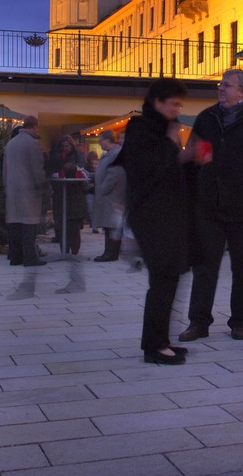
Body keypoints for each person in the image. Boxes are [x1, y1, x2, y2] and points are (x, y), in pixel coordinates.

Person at [180, 68, 243, 342]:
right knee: (204, 267)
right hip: (208, 206)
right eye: (219, 84)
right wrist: (195, 190)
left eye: (226, 85)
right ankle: (198, 322)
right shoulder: (207, 118)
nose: (220, 88)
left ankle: (238, 321)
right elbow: (193, 158)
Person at [120, 79, 192, 364]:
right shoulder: (140, 128)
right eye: (173, 103)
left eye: (179, 104)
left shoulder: (162, 129)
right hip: (151, 216)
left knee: (169, 277)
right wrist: (177, 148)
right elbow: (148, 171)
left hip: (168, 215)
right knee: (162, 278)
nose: (177, 109)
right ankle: (154, 347)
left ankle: (161, 339)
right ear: (158, 102)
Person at [3, 115, 46, 267]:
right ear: (35, 126)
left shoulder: (10, 144)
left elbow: (5, 169)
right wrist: (42, 185)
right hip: (28, 190)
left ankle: (15, 257)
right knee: (29, 224)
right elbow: (37, 169)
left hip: (12, 189)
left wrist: (6, 186)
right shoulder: (32, 144)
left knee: (14, 224)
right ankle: (30, 258)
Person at [91, 130, 126, 262]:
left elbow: (115, 174)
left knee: (111, 224)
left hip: (112, 195)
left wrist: (103, 187)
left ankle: (111, 253)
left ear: (108, 140)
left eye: (101, 140)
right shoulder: (109, 154)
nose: (99, 142)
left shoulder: (115, 154)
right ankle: (108, 251)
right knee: (108, 224)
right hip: (107, 194)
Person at [57, 160, 90, 255]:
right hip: (76, 210)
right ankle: (74, 251)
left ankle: (65, 250)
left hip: (65, 209)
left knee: (64, 230)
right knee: (75, 231)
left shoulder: (60, 182)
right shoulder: (80, 179)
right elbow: (87, 186)